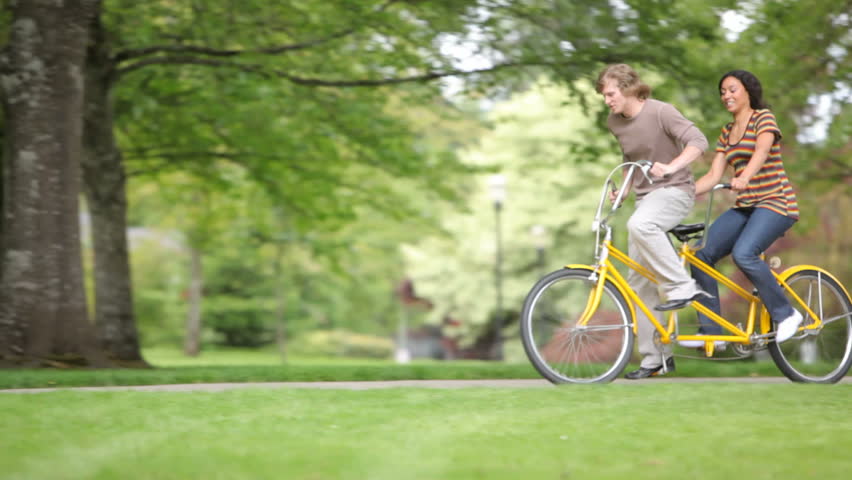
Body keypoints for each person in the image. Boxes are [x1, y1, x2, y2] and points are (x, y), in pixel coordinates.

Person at [595, 64, 712, 379]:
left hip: (675, 191)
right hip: (646, 200)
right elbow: (630, 161)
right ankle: (655, 359)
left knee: (640, 226)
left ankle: (682, 286)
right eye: (604, 96)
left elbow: (699, 141)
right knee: (638, 282)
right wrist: (623, 193)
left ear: (629, 87)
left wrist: (672, 167)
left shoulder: (662, 112)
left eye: (610, 93)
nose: (606, 100)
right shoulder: (614, 122)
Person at [682, 70, 801, 348]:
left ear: (748, 91)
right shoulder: (726, 131)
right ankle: (713, 331)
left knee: (744, 254)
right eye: (723, 91)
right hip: (747, 206)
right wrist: (679, 193)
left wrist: (745, 176)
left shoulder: (764, 118)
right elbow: (713, 176)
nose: (727, 95)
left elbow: (761, 151)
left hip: (776, 202)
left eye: (732, 89)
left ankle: (786, 314)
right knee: (700, 254)